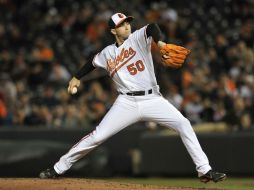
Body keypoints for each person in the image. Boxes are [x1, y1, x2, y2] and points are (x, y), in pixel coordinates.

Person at [39, 13, 226, 183]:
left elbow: (152, 26)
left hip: (152, 99)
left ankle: (204, 170)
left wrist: (160, 43)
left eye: (127, 22)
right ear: (113, 30)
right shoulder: (107, 53)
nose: (127, 26)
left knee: (183, 124)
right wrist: (76, 77)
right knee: (97, 137)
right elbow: (92, 63)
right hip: (126, 102)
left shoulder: (137, 38)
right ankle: (58, 168)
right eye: (122, 24)